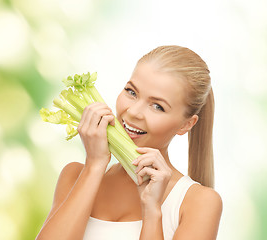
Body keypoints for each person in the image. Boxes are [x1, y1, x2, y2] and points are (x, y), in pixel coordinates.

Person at [36, 45, 223, 240]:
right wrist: (95, 164)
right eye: (131, 92)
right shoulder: (74, 176)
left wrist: (152, 211)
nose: (133, 112)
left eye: (157, 106)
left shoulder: (198, 203)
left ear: (186, 125)